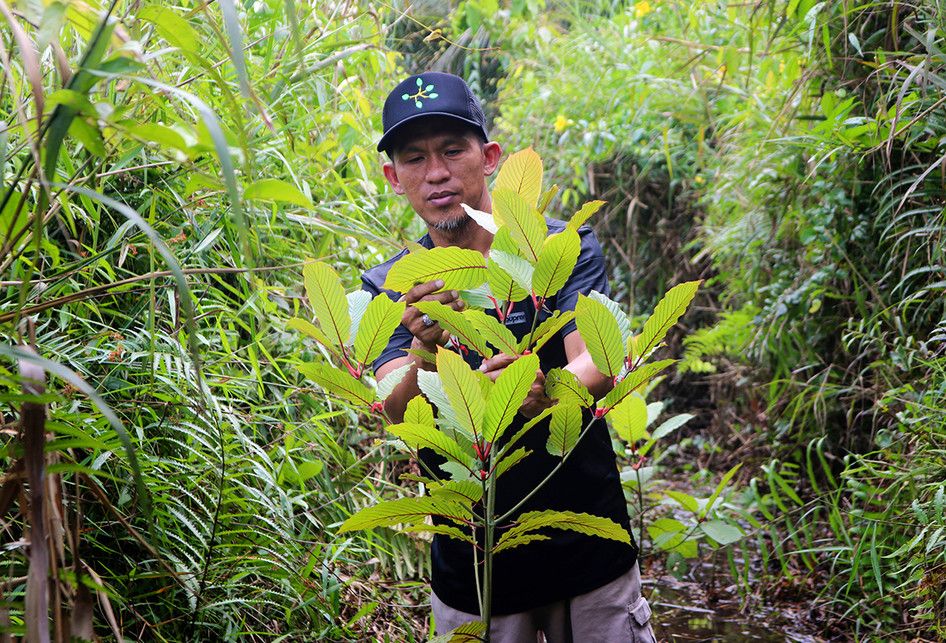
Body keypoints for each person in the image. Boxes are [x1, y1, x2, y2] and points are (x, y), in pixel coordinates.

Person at [360, 72, 656, 642]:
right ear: (394, 178)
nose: (437, 172)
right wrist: (423, 348)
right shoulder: (393, 286)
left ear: (490, 157)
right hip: (476, 572)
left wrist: (544, 388)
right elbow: (397, 410)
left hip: (588, 557)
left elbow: (598, 358)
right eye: (414, 158)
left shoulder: (555, 248)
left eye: (452, 150)